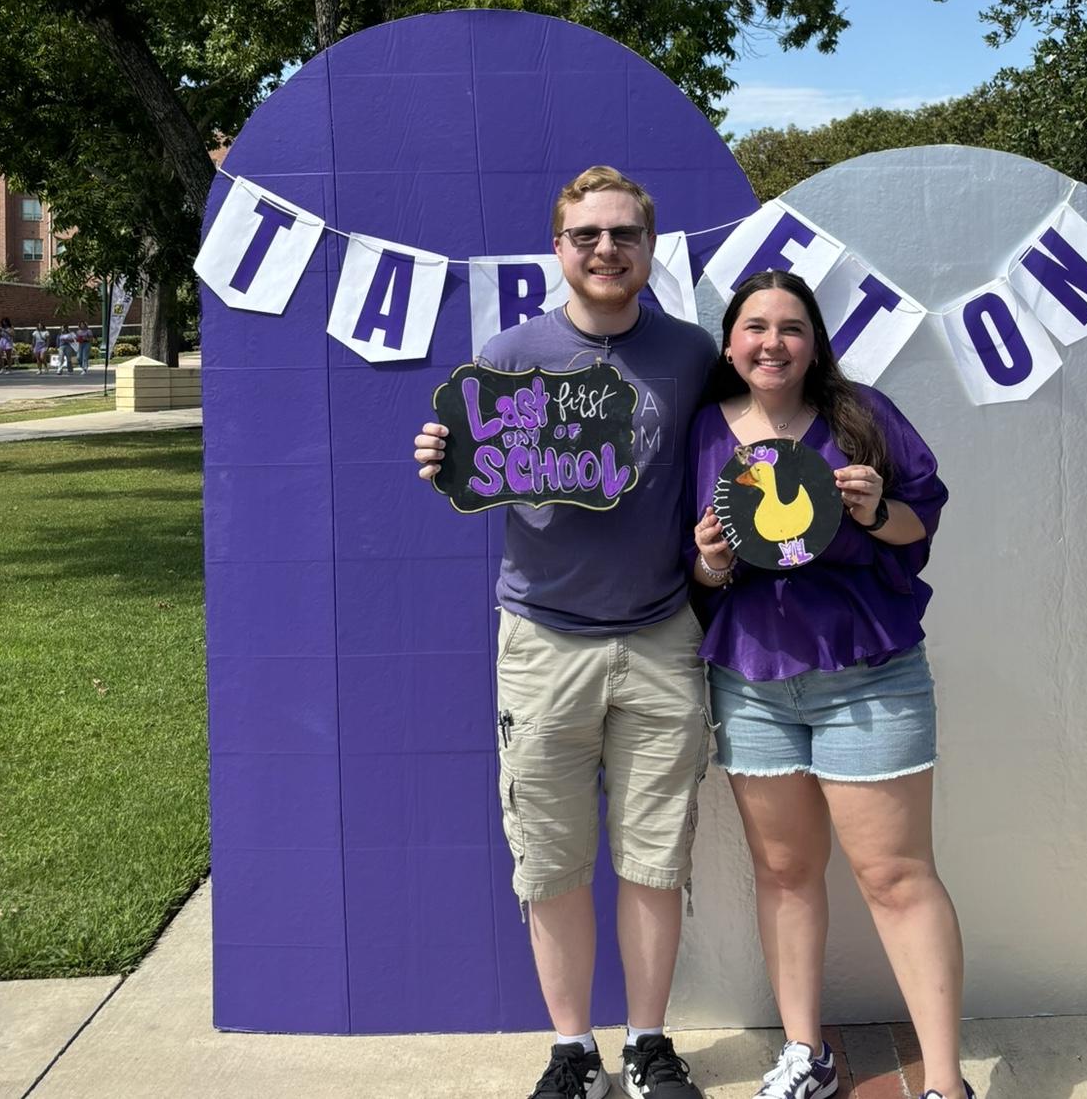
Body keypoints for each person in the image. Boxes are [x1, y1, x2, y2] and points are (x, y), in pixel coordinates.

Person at [413, 166, 717, 1099]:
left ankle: (650, 1044)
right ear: (559, 248)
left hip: (663, 633)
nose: (605, 249)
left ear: (649, 246)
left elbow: (743, 446)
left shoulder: (694, 356)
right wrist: (442, 461)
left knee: (655, 855)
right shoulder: (507, 354)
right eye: (587, 234)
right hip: (542, 640)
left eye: (624, 233)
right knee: (548, 858)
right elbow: (474, 459)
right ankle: (572, 1048)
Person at [688, 269, 970, 1099]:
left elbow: (922, 522)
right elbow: (690, 569)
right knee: (783, 874)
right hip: (751, 683)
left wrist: (878, 508)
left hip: (867, 677)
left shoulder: (861, 417)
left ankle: (945, 1083)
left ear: (815, 343)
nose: (772, 342)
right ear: (731, 342)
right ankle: (804, 1056)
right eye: (755, 327)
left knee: (896, 875)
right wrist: (707, 561)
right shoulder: (704, 430)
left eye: (792, 328)